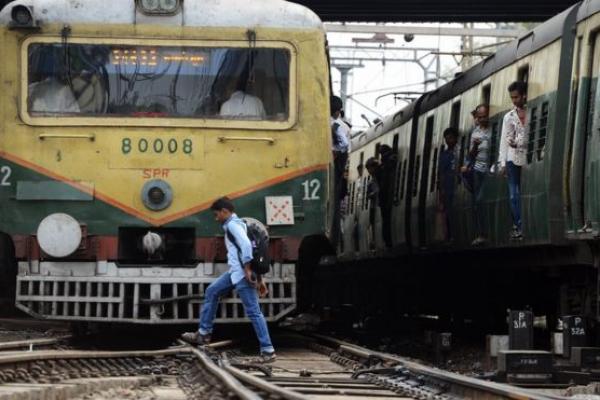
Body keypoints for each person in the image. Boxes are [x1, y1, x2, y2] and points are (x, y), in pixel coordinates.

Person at [181, 197, 276, 363]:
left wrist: (248, 270)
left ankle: (268, 350)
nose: (216, 218)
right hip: (234, 273)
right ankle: (203, 334)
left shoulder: (233, 225)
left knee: (254, 311)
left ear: (225, 211)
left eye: (217, 214)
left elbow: (247, 246)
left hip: (241, 274)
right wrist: (259, 278)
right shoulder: (238, 224)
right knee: (212, 291)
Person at [498, 81, 528, 240]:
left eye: (516, 97)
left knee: (524, 192)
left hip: (527, 157)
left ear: (524, 95)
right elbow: (504, 140)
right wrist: (502, 163)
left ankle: (524, 224)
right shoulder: (508, 117)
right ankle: (519, 225)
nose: (514, 100)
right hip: (511, 158)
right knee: (513, 194)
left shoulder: (531, 112)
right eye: (512, 98)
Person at [461, 104, 491, 246]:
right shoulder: (475, 133)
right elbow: (471, 155)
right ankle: (481, 233)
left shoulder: (493, 129)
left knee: (483, 199)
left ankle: (484, 233)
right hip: (478, 170)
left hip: (490, 169)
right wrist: (474, 147)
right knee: (478, 201)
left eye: (484, 116)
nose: (482, 119)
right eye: (480, 117)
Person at [330, 95, 350, 248]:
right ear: (337, 111)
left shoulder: (329, 124)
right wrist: (336, 151)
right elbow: (344, 143)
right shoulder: (337, 125)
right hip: (336, 164)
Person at [438, 127, 459, 242]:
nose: (448, 141)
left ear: (456, 138)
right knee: (448, 212)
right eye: (446, 139)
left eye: (450, 138)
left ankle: (454, 235)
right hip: (448, 187)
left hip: (456, 186)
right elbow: (441, 173)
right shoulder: (444, 155)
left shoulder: (460, 151)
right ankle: (449, 236)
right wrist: (441, 190)